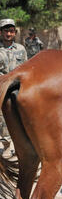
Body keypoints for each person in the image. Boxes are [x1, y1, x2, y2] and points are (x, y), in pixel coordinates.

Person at [0, 19, 28, 149]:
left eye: (11, 31)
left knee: (22, 117)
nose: (9, 34)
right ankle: (5, 146)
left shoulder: (21, 49)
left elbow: (26, 67)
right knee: (3, 119)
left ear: (15, 32)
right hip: (2, 89)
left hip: (19, 89)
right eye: (6, 31)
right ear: (1, 32)